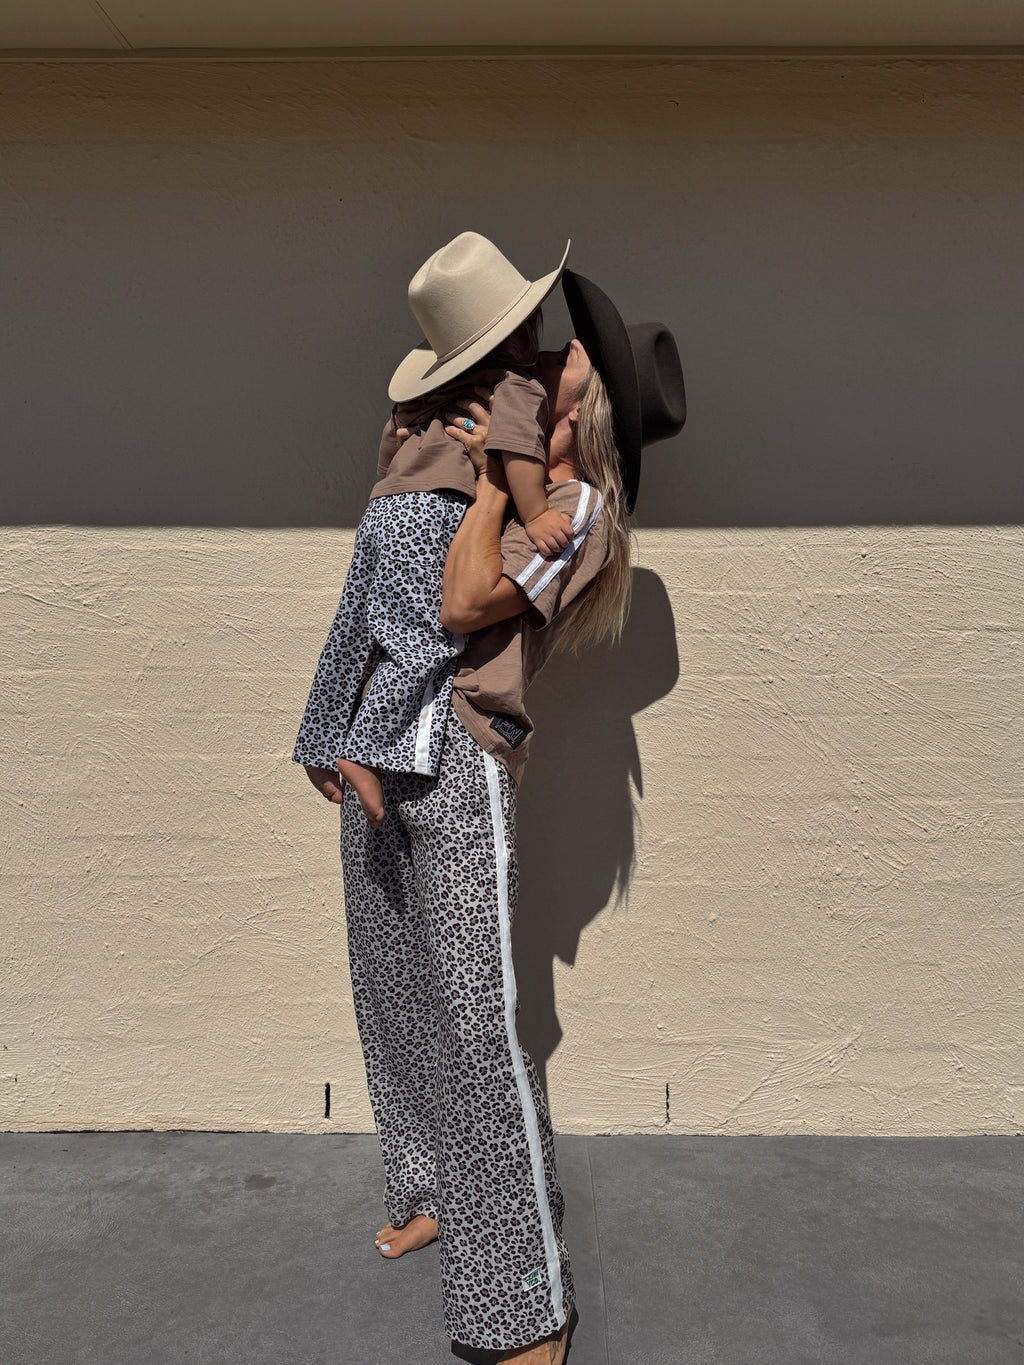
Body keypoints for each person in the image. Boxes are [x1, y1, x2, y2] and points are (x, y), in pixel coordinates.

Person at [300, 268, 686, 1365]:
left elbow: (459, 604)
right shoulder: (470, 458)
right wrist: (328, 724)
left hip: (461, 762)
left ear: (588, 402)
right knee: (394, 994)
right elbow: (375, 586)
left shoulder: (579, 519)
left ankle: (525, 1301)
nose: (541, 359)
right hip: (380, 747)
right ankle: (431, 1191)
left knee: (477, 1031)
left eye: (562, 361)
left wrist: (481, 491)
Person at [293, 232, 575, 830]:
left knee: (356, 629)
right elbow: (518, 455)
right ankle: (361, 747)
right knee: (421, 640)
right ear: (523, 332)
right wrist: (537, 514)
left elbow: (387, 449)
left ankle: (317, 739)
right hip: (433, 516)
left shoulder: (432, 393)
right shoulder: (516, 390)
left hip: (383, 512)